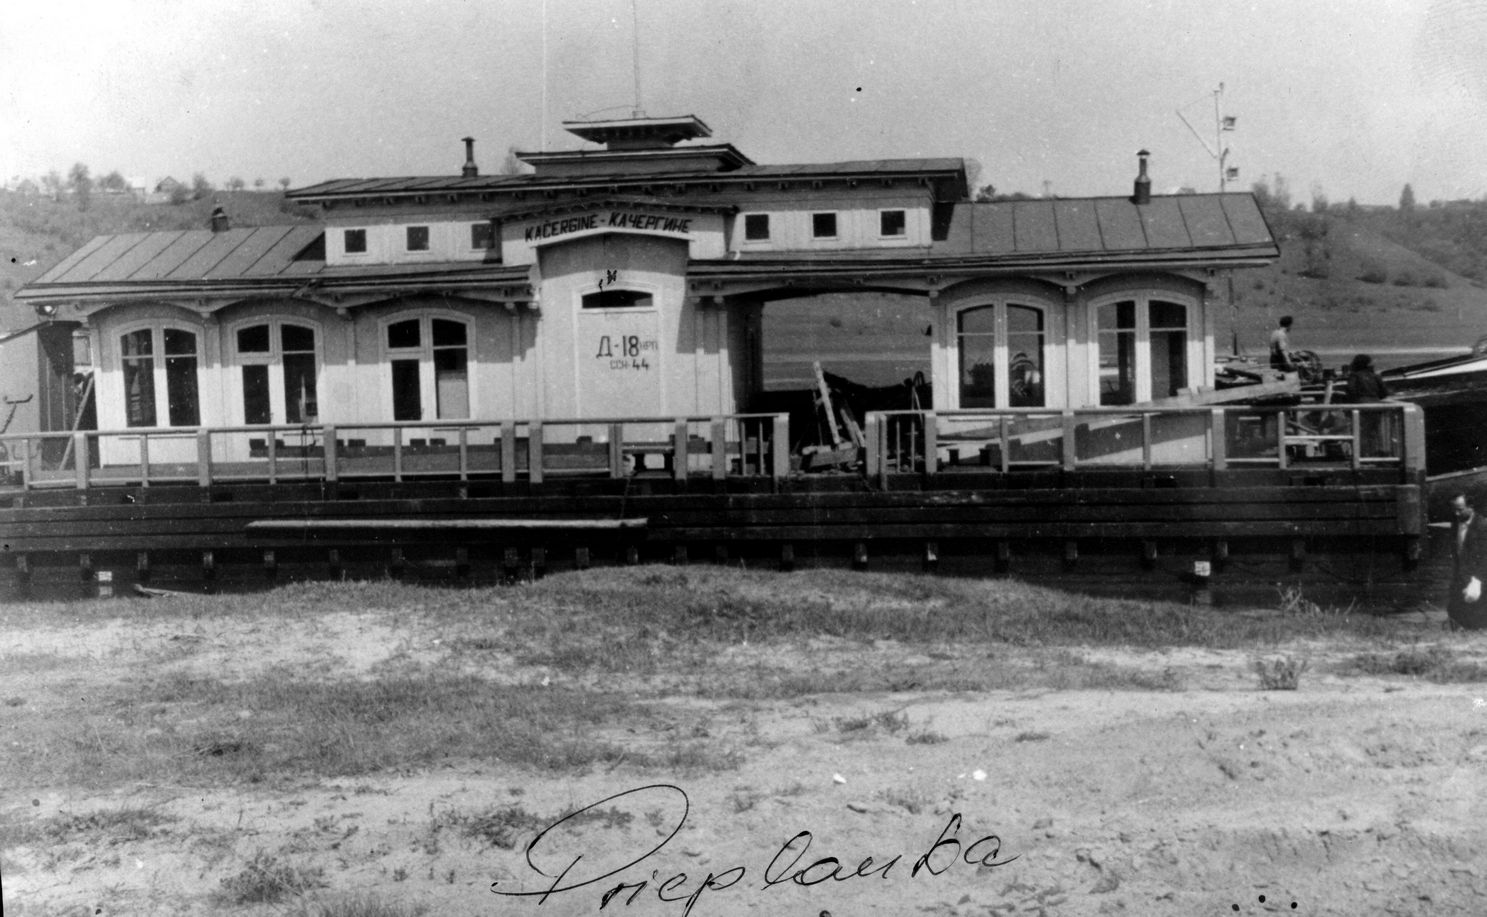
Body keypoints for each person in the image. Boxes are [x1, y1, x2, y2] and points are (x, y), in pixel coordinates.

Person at [1447, 493, 1487, 630]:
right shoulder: (1455, 523)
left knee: (1478, 613)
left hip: (1479, 575)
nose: (1456, 514)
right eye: (1454, 510)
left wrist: (1477, 580)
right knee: (1455, 608)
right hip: (1461, 573)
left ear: (1471, 507)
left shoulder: (1483, 526)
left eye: (1460, 509)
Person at [1346, 353, 1391, 455]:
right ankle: (1374, 453)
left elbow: (1350, 390)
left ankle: (1362, 454)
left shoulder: (1355, 376)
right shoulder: (1375, 376)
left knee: (1361, 432)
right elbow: (1384, 393)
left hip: (1361, 406)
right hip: (1376, 406)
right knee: (1374, 432)